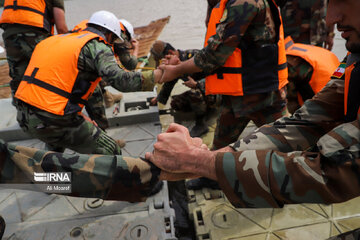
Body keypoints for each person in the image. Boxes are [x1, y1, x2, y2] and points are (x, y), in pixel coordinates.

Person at [147, 0, 360, 237]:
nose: (330, 19)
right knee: (229, 140)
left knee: (287, 153)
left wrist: (203, 162)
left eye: (343, 1)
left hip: (262, 93)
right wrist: (207, 161)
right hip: (241, 92)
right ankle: (211, 176)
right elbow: (305, 122)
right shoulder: (355, 58)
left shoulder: (245, 3)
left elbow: (334, 170)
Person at [13, 10, 161, 155]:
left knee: (54, 148)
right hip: (54, 118)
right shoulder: (97, 44)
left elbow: (51, 83)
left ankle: (48, 175)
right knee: (111, 150)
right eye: (113, 40)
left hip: (24, 114)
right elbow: (122, 81)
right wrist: (158, 75)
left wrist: (79, 114)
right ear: (109, 34)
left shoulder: (54, 40)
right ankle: (103, 177)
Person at [73, 18, 142, 131]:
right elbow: (130, 65)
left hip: (71, 65)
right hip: (83, 75)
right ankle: (103, 139)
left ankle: (108, 96)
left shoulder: (91, 26)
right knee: (97, 107)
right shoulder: (119, 34)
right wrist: (136, 49)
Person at [0, 0, 68, 99]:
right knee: (44, 74)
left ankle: (21, 108)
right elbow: (61, 28)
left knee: (18, 75)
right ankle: (45, 107)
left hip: (9, 31)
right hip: (34, 31)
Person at [285, 36, 340, 113]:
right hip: (341, 91)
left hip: (327, 103)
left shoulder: (288, 62)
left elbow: (290, 101)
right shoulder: (295, 48)